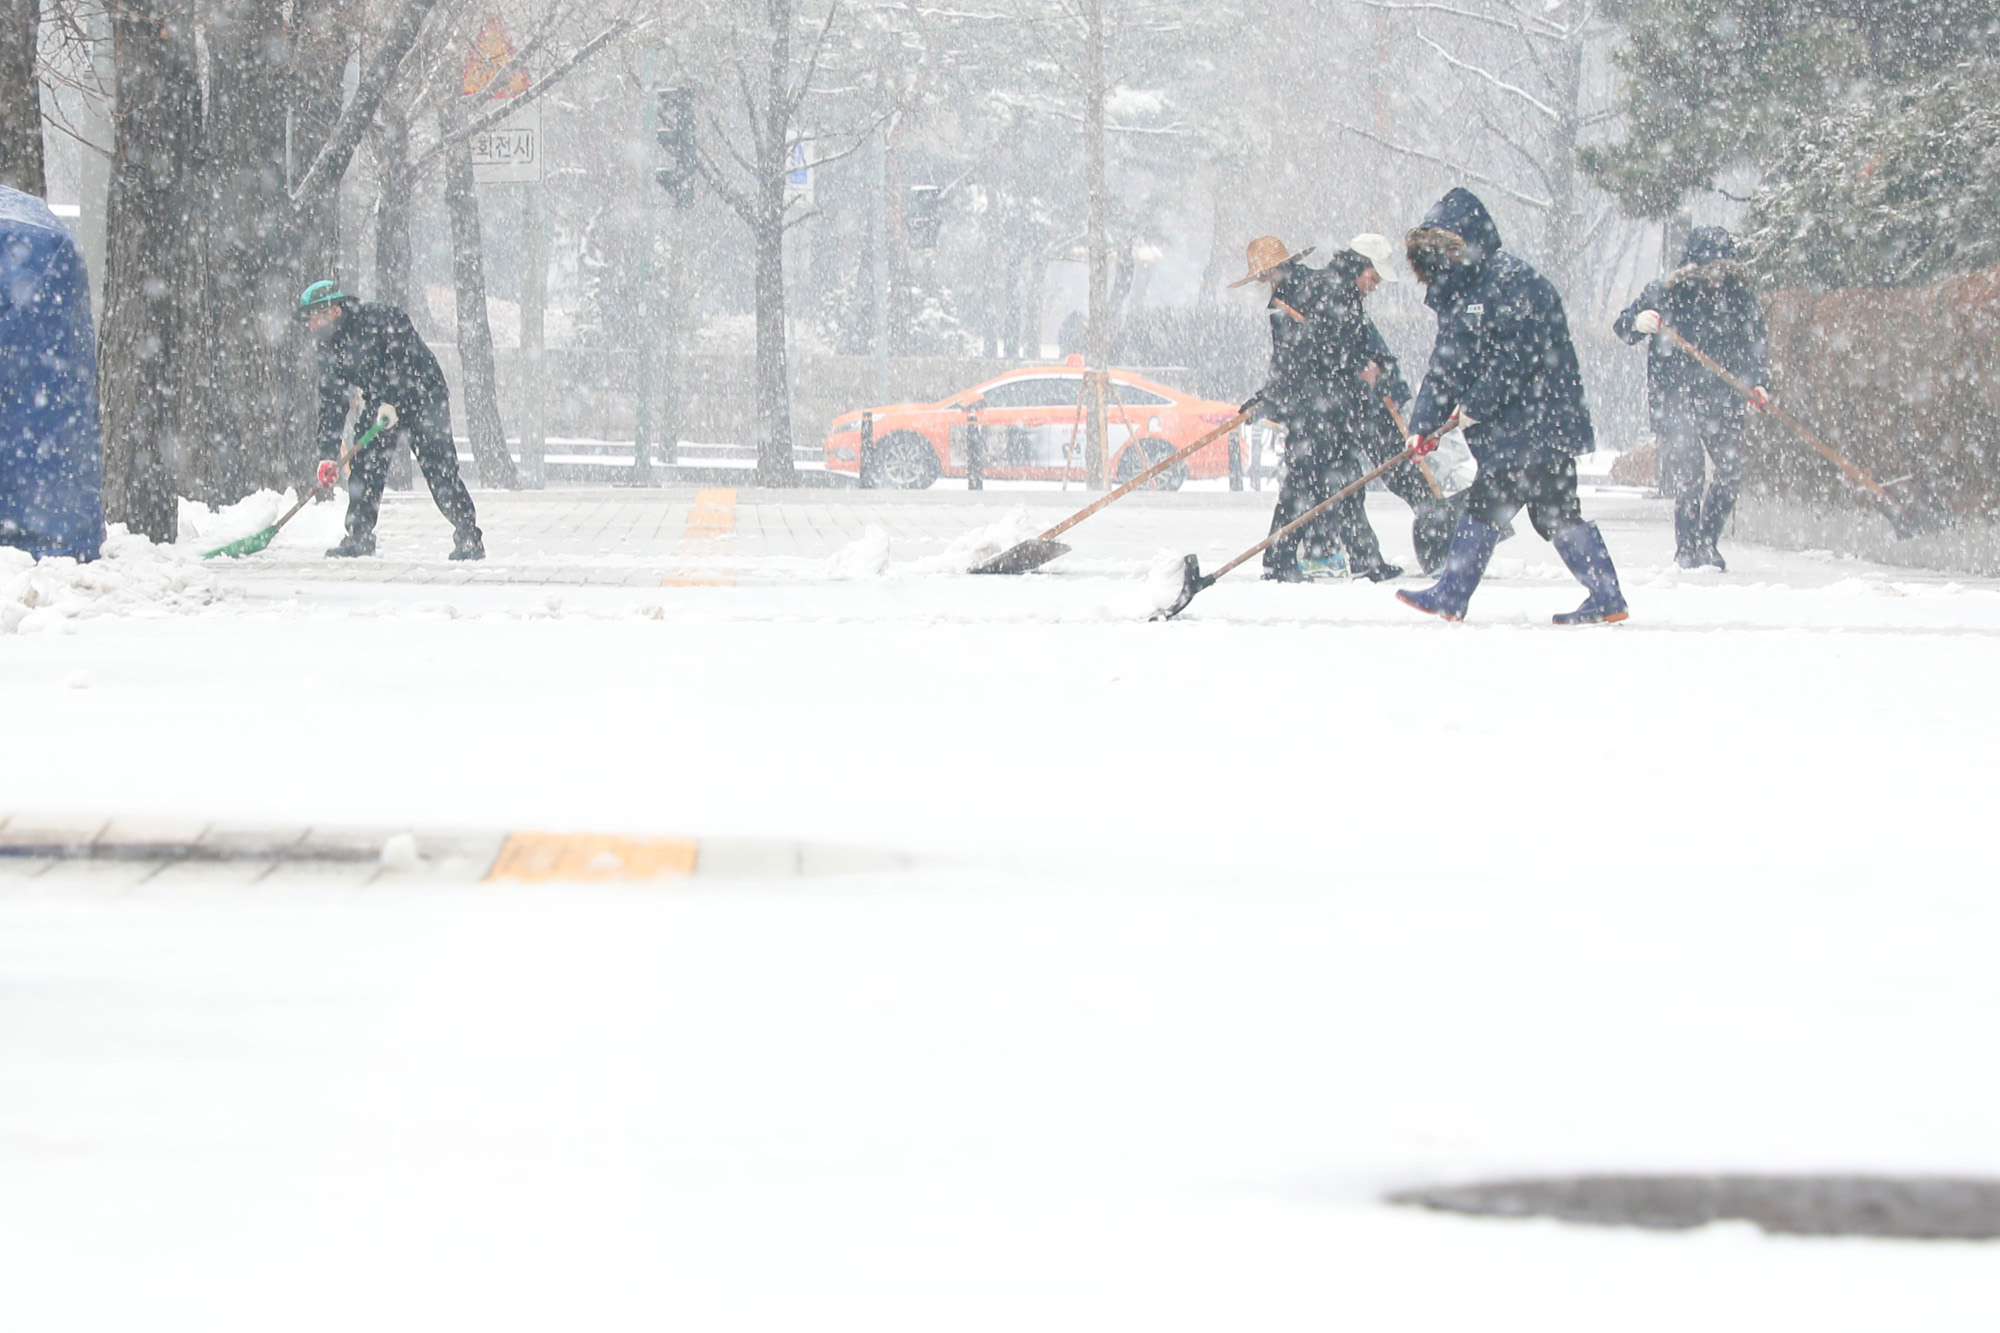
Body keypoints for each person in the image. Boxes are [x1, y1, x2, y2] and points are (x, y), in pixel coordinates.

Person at [1395, 188, 1628, 624]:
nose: (1440, 265)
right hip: (1517, 428)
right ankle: (1606, 596)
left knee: (1488, 503)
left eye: (1446, 252)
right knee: (1555, 513)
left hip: (1538, 421)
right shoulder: (1458, 293)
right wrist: (1422, 426)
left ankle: (1452, 593)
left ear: (1467, 244)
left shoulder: (1515, 283)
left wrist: (1476, 405)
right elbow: (1446, 366)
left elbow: (1519, 356)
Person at [1231, 236, 1402, 583]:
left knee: (1333, 484)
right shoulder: (1314, 290)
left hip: (1323, 408)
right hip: (1322, 409)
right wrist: (1270, 396)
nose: (1374, 285)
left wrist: (1275, 395)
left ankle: (1357, 560)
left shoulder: (1305, 292)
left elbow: (1312, 351)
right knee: (1317, 484)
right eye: (1373, 277)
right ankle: (1286, 559)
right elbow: (1308, 354)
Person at [1614, 226, 1769, 570]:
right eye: (1708, 270)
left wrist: (1758, 383)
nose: (1715, 278)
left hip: (1723, 398)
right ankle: (1686, 549)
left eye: (1722, 270)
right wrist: (1638, 322)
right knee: (1689, 476)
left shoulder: (1740, 298)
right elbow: (1623, 328)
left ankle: (1706, 542)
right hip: (1675, 396)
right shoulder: (1664, 293)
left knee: (1730, 471)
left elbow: (1754, 345)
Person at [299, 281, 484, 560]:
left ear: (334, 310)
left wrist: (394, 399)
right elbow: (332, 402)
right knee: (365, 465)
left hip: (424, 396)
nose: (312, 326)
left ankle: (469, 537)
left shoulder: (381, 318)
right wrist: (327, 454)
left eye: (316, 318)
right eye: (309, 320)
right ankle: (359, 537)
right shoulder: (328, 348)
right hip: (379, 404)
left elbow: (405, 360)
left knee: (439, 469)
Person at [1343, 232, 1464, 574]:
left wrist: (1388, 379)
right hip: (1356, 407)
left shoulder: (1351, 304)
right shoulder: (1337, 300)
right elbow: (1340, 351)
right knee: (1348, 482)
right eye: (1373, 277)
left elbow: (1370, 350)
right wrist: (1364, 371)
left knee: (1397, 471)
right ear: (1357, 266)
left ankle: (1430, 519)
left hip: (1375, 403)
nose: (1375, 285)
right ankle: (1353, 556)